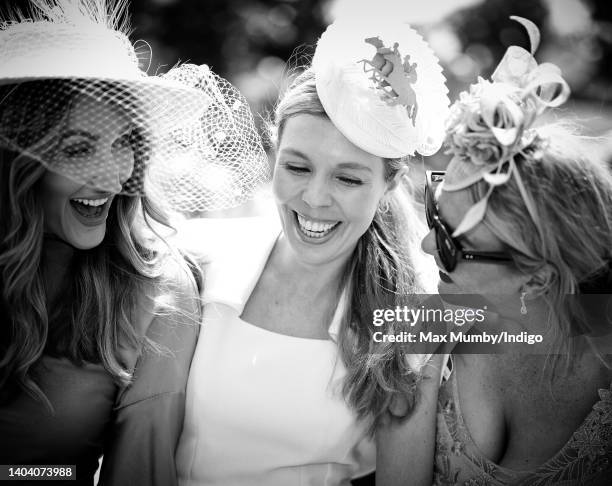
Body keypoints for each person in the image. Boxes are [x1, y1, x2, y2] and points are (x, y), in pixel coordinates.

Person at [0, 1, 269, 485]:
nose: (112, 176)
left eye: (124, 142)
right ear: (17, 160)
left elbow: (139, 473)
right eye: (78, 148)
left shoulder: (155, 297)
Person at [176, 16, 449, 486]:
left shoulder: (415, 319)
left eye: (347, 178)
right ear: (273, 155)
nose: (316, 199)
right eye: (297, 167)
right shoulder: (199, 264)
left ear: (390, 184)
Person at [383, 16, 612, 485]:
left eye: (451, 243)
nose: (427, 244)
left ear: (538, 277)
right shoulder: (420, 326)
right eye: (434, 215)